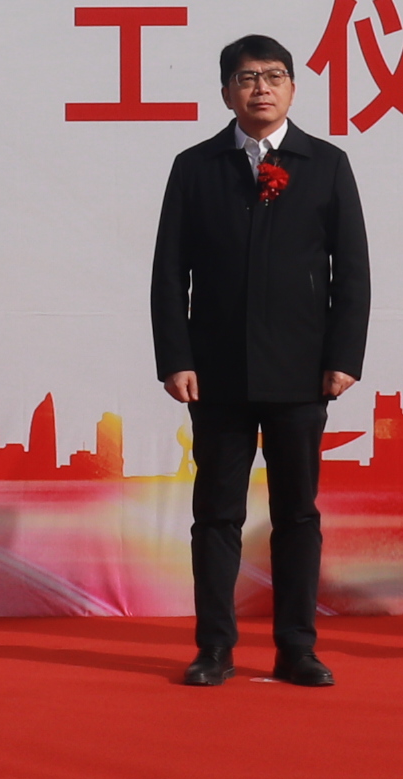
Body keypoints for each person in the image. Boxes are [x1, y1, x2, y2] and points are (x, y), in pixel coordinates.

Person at [148, 34, 370, 688]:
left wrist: (343, 357)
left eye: (274, 76)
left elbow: (352, 272)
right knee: (217, 515)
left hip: (301, 371)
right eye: (247, 78)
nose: (261, 88)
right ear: (226, 93)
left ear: (293, 89)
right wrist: (176, 357)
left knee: (297, 514)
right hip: (216, 372)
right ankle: (214, 648)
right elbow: (169, 273)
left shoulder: (326, 164)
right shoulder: (196, 167)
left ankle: (297, 647)